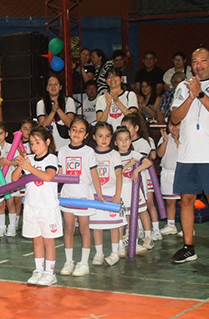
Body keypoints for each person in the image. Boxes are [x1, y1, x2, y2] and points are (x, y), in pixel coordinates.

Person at [170, 48, 209, 266]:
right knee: (186, 200)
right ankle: (189, 247)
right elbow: (175, 117)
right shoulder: (183, 86)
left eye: (203, 60)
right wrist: (190, 96)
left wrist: (200, 94)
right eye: (195, 61)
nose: (199, 65)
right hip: (187, 154)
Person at [12, 126, 61, 286]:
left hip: (47, 207)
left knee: (48, 241)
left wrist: (29, 168)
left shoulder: (51, 158)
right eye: (31, 143)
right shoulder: (30, 160)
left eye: (37, 142)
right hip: (31, 206)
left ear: (47, 142)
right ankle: (39, 270)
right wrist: (21, 164)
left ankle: (50, 272)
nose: (34, 146)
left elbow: (48, 176)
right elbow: (14, 179)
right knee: (37, 240)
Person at [57, 117, 104, 277]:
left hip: (84, 196)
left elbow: (94, 175)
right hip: (68, 196)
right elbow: (60, 175)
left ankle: (84, 263)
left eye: (81, 130)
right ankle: (68, 261)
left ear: (86, 135)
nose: (77, 133)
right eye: (74, 129)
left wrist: (100, 194)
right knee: (68, 229)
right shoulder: (62, 151)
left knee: (84, 229)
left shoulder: (89, 152)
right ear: (69, 132)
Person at [88, 122, 124, 265]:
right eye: (100, 136)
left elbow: (119, 175)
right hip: (95, 194)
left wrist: (117, 194)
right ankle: (99, 252)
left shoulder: (114, 154)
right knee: (97, 225)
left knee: (113, 225)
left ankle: (115, 252)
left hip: (111, 193)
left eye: (108, 136)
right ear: (94, 137)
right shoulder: (90, 154)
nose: (104, 139)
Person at [115, 126, 151, 256]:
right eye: (120, 139)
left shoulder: (134, 154)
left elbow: (148, 163)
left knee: (134, 217)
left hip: (133, 190)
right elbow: (117, 174)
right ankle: (119, 246)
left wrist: (136, 169)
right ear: (115, 142)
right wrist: (129, 165)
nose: (124, 142)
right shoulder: (114, 156)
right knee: (121, 219)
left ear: (131, 141)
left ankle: (134, 243)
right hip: (120, 190)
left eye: (126, 139)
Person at [36, 74, 76, 150]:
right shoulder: (41, 103)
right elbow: (42, 126)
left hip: (66, 144)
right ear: (47, 88)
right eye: (50, 85)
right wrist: (53, 112)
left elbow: (70, 124)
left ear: (60, 87)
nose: (53, 87)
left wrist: (58, 109)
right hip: (49, 145)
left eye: (56, 84)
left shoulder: (68, 101)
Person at [156, 116, 181, 235]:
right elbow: (159, 154)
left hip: (181, 173)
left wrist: (177, 140)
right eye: (172, 125)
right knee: (170, 201)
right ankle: (171, 224)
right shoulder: (165, 138)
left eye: (178, 124)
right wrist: (166, 141)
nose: (174, 128)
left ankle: (189, 227)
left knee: (185, 201)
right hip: (167, 173)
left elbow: (185, 152)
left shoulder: (186, 138)